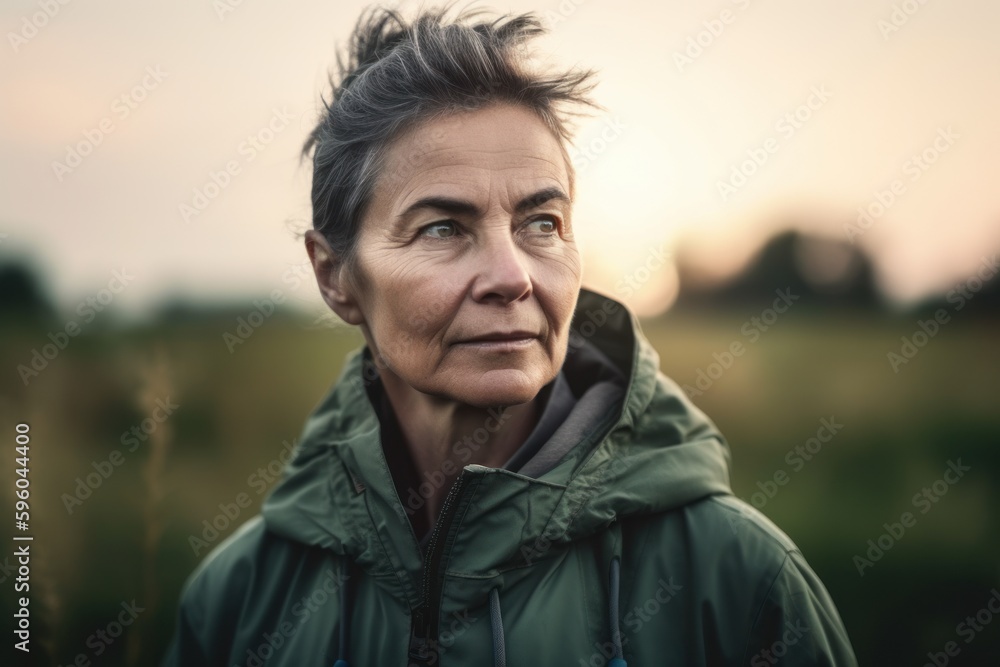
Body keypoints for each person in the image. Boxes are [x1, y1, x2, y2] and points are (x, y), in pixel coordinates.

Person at [162, 4, 858, 666]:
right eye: (443, 227)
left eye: (541, 223)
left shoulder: (738, 582)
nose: (512, 276)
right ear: (335, 275)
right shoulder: (239, 600)